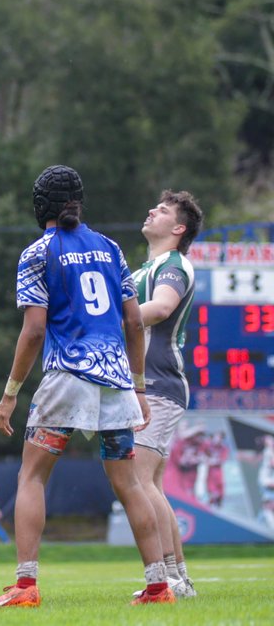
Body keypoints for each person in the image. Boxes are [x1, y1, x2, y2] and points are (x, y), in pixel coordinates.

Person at [0, 165, 172, 609]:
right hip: (117, 379)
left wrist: (10, 392)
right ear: (79, 201)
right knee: (129, 485)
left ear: (40, 205)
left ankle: (25, 587)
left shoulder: (38, 252)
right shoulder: (110, 248)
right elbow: (132, 322)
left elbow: (33, 331)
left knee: (32, 476)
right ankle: (158, 586)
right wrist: (139, 388)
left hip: (67, 376)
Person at [131, 190, 202, 598]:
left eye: (162, 210)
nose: (151, 210)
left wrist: (101, 317)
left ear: (178, 229)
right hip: (147, 385)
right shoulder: (147, 266)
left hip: (159, 383)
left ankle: (171, 579)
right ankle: (179, 578)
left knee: (139, 482)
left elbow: (159, 309)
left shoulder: (174, 264)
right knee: (150, 483)